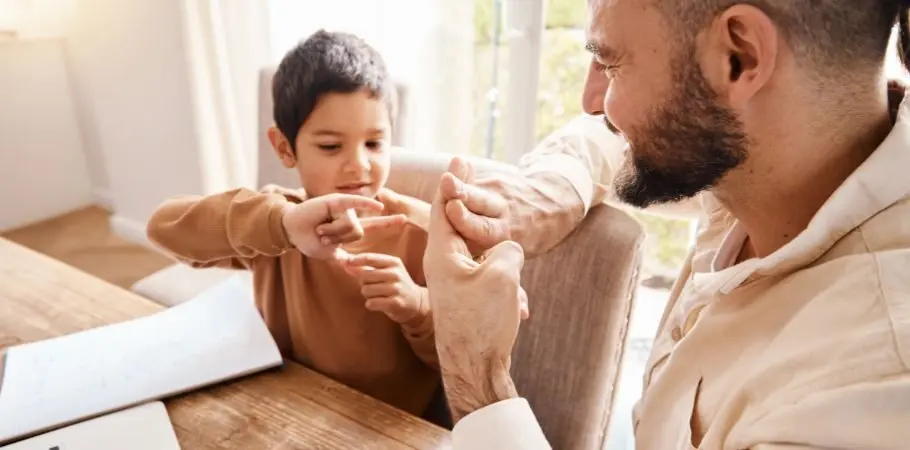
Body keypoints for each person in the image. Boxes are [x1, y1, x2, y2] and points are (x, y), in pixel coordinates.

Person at [425, 0, 910, 448]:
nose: (592, 102)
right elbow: (603, 138)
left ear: (737, 58)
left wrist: (479, 374)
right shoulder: (780, 158)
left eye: (611, 64)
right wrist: (555, 190)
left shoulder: (864, 391)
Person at [146, 30, 449, 425]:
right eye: (330, 146)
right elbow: (162, 228)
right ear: (285, 148)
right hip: (288, 410)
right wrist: (282, 226)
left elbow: (455, 360)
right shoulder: (274, 220)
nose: (358, 165)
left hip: (389, 424)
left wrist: (417, 307)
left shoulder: (422, 231)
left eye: (374, 144)